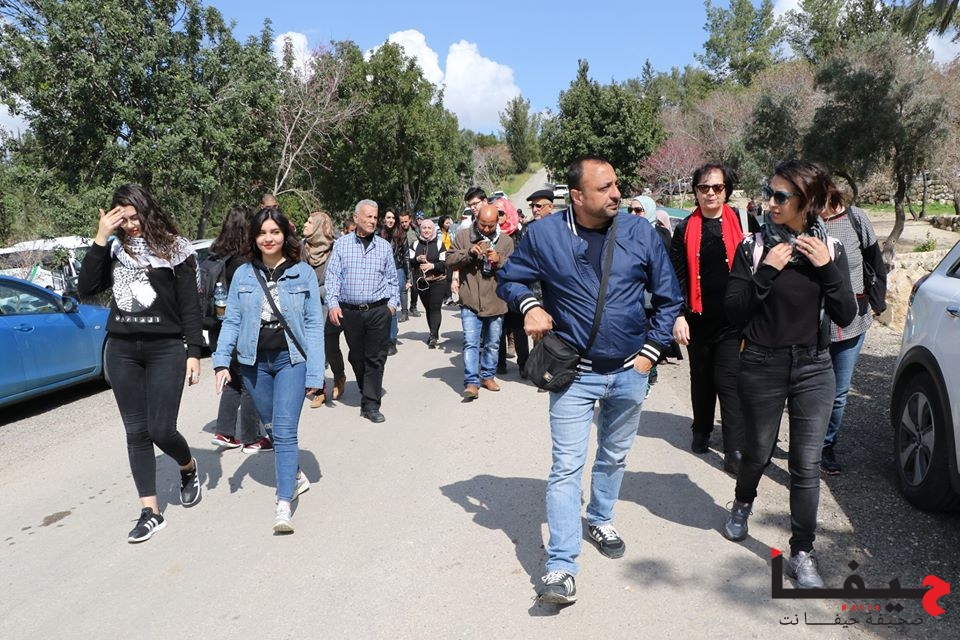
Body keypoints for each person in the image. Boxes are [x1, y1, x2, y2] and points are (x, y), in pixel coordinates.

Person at [497, 156, 683, 605]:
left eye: (616, 184)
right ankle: (562, 566)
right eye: (604, 188)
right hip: (574, 375)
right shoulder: (544, 234)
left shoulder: (640, 232)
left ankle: (600, 518)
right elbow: (510, 279)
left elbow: (668, 297)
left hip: (630, 372)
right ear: (577, 196)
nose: (616, 193)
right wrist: (529, 306)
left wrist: (650, 354)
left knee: (614, 455)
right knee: (566, 468)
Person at [721, 160, 856, 589]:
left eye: (781, 196)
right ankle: (743, 501)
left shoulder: (830, 249)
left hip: (815, 367)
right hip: (762, 364)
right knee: (758, 453)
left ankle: (801, 552)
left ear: (807, 201)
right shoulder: (754, 246)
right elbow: (734, 310)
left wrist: (828, 270)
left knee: (806, 464)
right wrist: (767, 271)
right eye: (769, 193)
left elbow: (846, 313)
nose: (771, 203)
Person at [77, 184, 204, 543]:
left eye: (135, 217)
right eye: (123, 220)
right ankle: (151, 512)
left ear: (148, 212)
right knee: (136, 432)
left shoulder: (176, 249)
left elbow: (190, 306)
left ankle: (187, 465)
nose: (131, 225)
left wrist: (194, 352)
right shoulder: (114, 249)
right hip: (122, 350)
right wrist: (101, 237)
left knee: (161, 429)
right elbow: (86, 287)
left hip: (165, 348)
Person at [213, 207, 323, 533]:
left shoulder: (303, 273)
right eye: (262, 233)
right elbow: (232, 320)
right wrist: (221, 361)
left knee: (285, 431)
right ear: (254, 237)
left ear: (284, 235)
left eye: (275, 232)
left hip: (291, 360)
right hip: (253, 364)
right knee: (272, 426)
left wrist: (315, 374)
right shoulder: (243, 274)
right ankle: (296, 474)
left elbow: (314, 325)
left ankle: (283, 503)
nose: (268, 238)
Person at [669, 163, 750, 474]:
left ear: (726, 190)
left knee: (730, 383)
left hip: (733, 321)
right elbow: (675, 278)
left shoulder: (743, 223)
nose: (711, 193)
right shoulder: (684, 229)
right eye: (704, 188)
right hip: (698, 319)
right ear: (695, 191)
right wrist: (679, 315)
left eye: (717, 187)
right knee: (702, 379)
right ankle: (701, 429)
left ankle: (734, 448)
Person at [819, 188, 887, 474]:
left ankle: (826, 446)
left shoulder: (855, 218)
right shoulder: (808, 223)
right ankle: (807, 445)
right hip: (816, 323)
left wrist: (877, 303)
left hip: (854, 321)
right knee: (812, 389)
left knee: (839, 392)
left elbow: (875, 262)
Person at [326, 199, 400, 423]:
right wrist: (333, 304)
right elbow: (332, 277)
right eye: (368, 216)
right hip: (350, 312)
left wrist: (391, 306)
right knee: (357, 356)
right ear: (356, 218)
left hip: (378, 310)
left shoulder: (384, 246)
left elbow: (392, 280)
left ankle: (371, 404)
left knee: (376, 358)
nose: (373, 221)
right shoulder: (342, 245)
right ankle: (365, 387)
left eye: (375, 217)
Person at [208, 205, 272, 451]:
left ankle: (224, 432)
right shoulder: (244, 262)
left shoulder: (216, 255)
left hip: (217, 329)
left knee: (233, 379)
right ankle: (251, 438)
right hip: (240, 328)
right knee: (249, 382)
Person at [447, 203, 515, 399]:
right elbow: (450, 260)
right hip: (470, 300)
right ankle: (471, 382)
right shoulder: (463, 236)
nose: (485, 229)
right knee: (471, 343)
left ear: (497, 222)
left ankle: (488, 376)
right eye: (482, 224)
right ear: (476, 219)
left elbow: (514, 268)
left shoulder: (506, 241)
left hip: (496, 301)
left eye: (490, 225)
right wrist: (469, 253)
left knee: (493, 343)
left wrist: (499, 259)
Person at [302, 209, 347, 407]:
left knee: (330, 348)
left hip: (328, 307)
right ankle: (319, 389)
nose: (305, 225)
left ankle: (339, 376)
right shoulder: (301, 249)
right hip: (306, 308)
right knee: (313, 350)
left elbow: (338, 280)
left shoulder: (334, 249)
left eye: (310, 222)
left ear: (320, 228)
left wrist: (315, 291)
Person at [410, 218, 447, 349]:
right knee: (428, 308)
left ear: (433, 230)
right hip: (422, 282)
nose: (426, 231)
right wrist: (417, 259)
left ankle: (433, 335)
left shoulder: (439, 244)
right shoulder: (415, 245)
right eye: (424, 228)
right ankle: (432, 331)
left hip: (438, 280)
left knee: (435, 307)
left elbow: (444, 264)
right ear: (420, 230)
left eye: (429, 228)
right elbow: (409, 261)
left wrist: (432, 266)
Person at [380, 208, 411, 350]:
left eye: (393, 218)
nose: (391, 220)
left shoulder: (401, 234)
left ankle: (392, 340)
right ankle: (386, 335)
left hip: (397, 270)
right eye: (388, 217)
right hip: (381, 272)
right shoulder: (378, 234)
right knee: (382, 306)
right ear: (384, 219)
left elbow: (406, 257)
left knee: (391, 304)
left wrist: (408, 278)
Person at [400, 211, 422, 317]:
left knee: (414, 287)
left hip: (414, 262)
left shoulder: (415, 230)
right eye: (402, 222)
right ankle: (404, 312)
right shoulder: (398, 232)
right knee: (403, 288)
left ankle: (413, 306)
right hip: (402, 263)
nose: (404, 224)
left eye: (406, 221)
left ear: (410, 220)